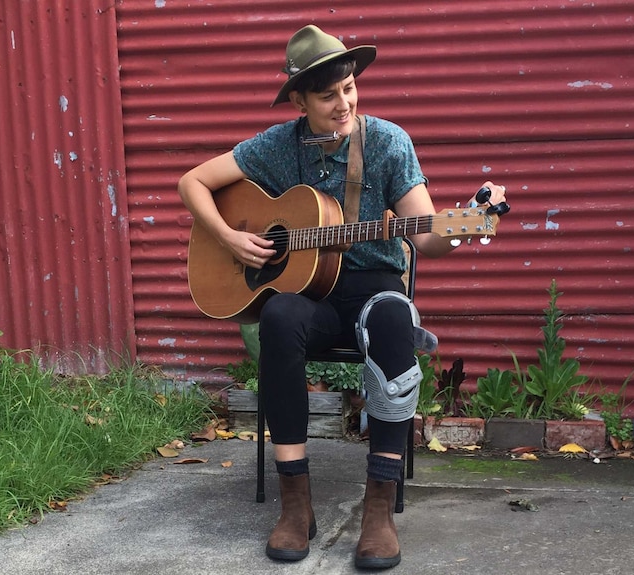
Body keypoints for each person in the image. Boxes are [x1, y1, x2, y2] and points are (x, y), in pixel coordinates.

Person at [178, 24, 507, 570]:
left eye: (350, 87)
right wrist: (229, 236)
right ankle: (294, 503)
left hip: (373, 291)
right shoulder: (276, 147)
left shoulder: (386, 142)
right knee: (279, 315)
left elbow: (425, 236)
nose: (343, 103)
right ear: (300, 100)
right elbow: (193, 182)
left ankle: (379, 508)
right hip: (314, 299)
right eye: (328, 95)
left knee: (395, 320)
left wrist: (463, 223)